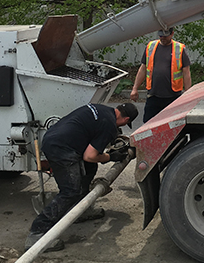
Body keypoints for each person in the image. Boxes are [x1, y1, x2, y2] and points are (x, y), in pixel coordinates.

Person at [24, 101, 138, 252]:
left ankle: (80, 210)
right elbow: (90, 155)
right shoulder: (109, 125)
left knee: (90, 168)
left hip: (53, 138)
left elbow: (89, 155)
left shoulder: (101, 108)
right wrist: (111, 157)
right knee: (70, 191)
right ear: (126, 120)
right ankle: (37, 233)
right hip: (61, 148)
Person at [130, 27, 192, 122]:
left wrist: (188, 94)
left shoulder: (179, 48)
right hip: (153, 95)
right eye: (161, 36)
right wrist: (135, 88)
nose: (163, 38)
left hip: (173, 96)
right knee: (148, 124)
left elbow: (186, 72)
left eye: (165, 36)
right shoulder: (151, 46)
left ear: (172, 34)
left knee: (172, 124)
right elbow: (143, 69)